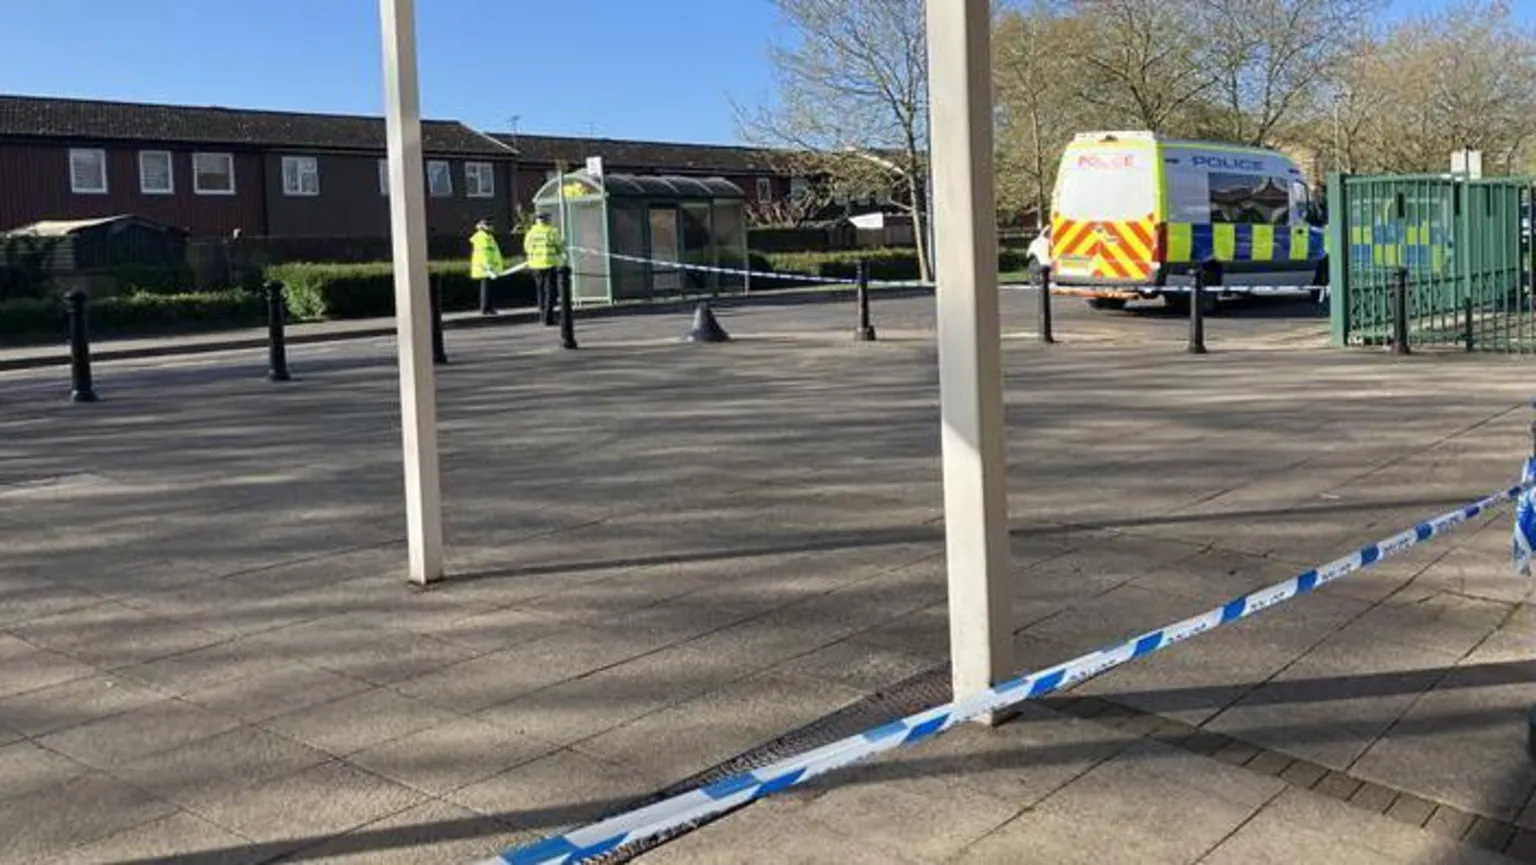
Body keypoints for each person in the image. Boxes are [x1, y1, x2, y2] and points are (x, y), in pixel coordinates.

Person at [524, 212, 566, 326]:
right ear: (547, 219)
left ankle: (542, 316)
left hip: (535, 266)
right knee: (550, 293)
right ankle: (548, 318)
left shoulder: (531, 233)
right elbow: (560, 246)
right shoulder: (552, 231)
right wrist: (562, 256)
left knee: (540, 291)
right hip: (549, 265)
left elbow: (527, 248)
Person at [469, 218, 504, 315]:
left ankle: (489, 307)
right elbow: (484, 253)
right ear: (482, 226)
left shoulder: (488, 237)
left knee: (489, 288)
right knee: (486, 288)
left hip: (488, 268)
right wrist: (488, 266)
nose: (490, 226)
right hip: (486, 268)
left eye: (490, 224)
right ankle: (485, 308)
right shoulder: (482, 237)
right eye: (487, 225)